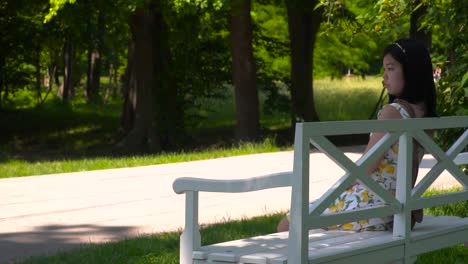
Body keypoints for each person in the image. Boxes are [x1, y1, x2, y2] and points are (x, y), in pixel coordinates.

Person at [277, 38, 437, 232]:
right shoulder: (427, 117)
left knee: (287, 224)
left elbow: (367, 167)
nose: (384, 78)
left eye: (391, 69)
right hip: (398, 210)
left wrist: (336, 190)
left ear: (411, 71)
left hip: (371, 206)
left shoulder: (393, 112)